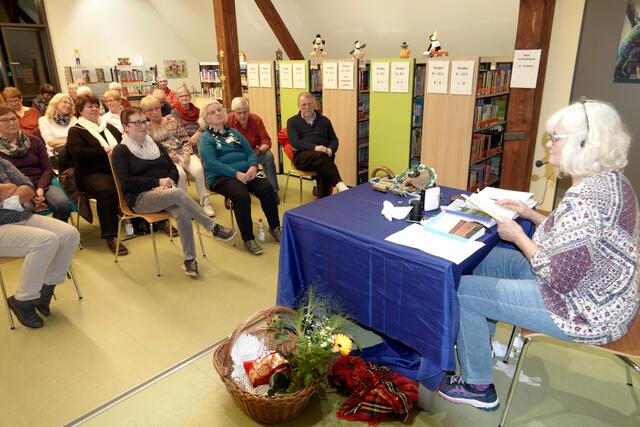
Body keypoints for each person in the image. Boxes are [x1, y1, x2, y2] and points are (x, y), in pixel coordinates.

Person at [437, 100, 639, 411]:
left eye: (555, 138)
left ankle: (478, 387)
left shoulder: (587, 198)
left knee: (462, 293)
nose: (549, 144)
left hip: (586, 311)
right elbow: (575, 241)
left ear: (583, 143)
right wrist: (530, 214)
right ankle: (478, 343)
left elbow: (560, 278)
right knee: (483, 259)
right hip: (601, 295)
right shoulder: (611, 181)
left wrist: (518, 236)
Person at [112, 107, 235, 278]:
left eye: (143, 121)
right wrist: (157, 182)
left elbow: (173, 169)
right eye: (136, 122)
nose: (142, 126)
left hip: (164, 193)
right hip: (139, 198)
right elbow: (127, 182)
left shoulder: (155, 144)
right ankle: (212, 227)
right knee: (177, 194)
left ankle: (189, 259)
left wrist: (168, 181)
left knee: (182, 211)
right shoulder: (121, 151)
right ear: (126, 126)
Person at [0, 157, 80, 328]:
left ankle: (44, 292)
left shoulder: (2, 162)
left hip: (18, 217)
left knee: (69, 234)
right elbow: (12, 189)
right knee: (45, 241)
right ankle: (23, 300)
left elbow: (28, 187)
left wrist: (8, 194)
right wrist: (11, 189)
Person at [199, 100, 281, 255]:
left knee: (267, 188)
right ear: (206, 118)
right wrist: (236, 174)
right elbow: (211, 163)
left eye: (219, 110)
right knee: (241, 196)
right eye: (212, 112)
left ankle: (275, 227)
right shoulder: (205, 138)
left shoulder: (234, 133)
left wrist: (253, 167)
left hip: (246, 172)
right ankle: (248, 238)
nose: (217, 113)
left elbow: (250, 152)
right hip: (220, 176)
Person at [66, 94, 128, 255]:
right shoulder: (76, 130)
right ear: (80, 110)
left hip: (116, 168)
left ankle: (151, 222)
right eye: (90, 106)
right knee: (107, 190)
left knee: (141, 179)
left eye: (96, 106)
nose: (94, 109)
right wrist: (105, 151)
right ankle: (110, 236)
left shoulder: (108, 127)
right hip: (91, 172)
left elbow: (124, 142)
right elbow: (78, 154)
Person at [141, 95, 214, 217]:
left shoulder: (173, 121)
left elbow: (185, 139)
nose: (155, 112)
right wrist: (168, 157)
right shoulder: (146, 130)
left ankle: (206, 202)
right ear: (144, 113)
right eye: (150, 110)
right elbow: (153, 150)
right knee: (180, 175)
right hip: (167, 159)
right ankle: (185, 206)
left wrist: (186, 153)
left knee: (198, 170)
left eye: (157, 108)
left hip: (183, 153)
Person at [0, 105, 73, 222]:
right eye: (5, 120)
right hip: (18, 188)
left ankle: (58, 231)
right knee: (26, 209)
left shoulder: (34, 141)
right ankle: (36, 233)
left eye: (13, 119)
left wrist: (40, 189)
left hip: (42, 183)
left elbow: (47, 168)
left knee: (63, 205)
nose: (11, 123)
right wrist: (27, 191)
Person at [286, 91, 348, 198]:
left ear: (314, 104)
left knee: (323, 165)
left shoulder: (324, 120)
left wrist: (330, 149)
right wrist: (315, 148)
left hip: (324, 156)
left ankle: (323, 201)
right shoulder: (292, 122)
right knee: (322, 158)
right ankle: (340, 185)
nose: (307, 107)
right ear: (298, 106)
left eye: (309, 104)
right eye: (303, 105)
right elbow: (295, 142)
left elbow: (334, 139)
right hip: (303, 158)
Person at [227, 97, 280, 204]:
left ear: (249, 110)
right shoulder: (227, 120)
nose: (242, 115)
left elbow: (266, 140)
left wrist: (259, 150)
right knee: (226, 160)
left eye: (245, 112)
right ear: (234, 112)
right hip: (234, 154)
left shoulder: (256, 120)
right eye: (239, 113)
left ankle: (273, 191)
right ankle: (230, 195)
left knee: (268, 156)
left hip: (253, 153)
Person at [38, 93, 78, 166]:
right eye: (65, 102)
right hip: (56, 155)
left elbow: (78, 139)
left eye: (70, 104)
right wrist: (71, 141)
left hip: (74, 152)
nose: (68, 105)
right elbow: (51, 142)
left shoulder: (73, 119)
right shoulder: (44, 120)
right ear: (55, 104)